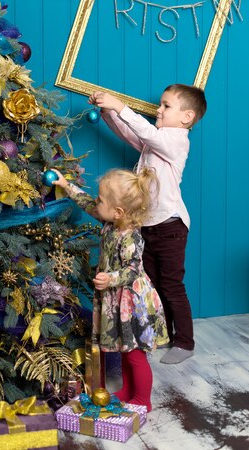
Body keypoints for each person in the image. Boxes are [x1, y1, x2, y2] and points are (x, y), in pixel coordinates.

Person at [89, 84, 207, 365]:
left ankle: (185, 342)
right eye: (161, 104)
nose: (158, 109)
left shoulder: (178, 140)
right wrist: (108, 113)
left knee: (172, 284)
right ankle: (161, 334)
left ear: (187, 117)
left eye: (166, 106)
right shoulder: (156, 141)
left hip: (170, 227)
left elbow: (146, 133)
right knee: (152, 284)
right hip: (147, 227)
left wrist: (120, 105)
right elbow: (132, 134)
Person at [52, 167, 168, 412]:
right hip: (115, 299)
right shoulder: (110, 221)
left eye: (101, 199)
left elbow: (133, 269)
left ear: (118, 211)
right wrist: (66, 185)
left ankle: (143, 399)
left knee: (135, 354)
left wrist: (110, 278)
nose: (97, 201)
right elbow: (87, 204)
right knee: (123, 349)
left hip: (130, 302)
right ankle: (128, 390)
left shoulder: (129, 236)